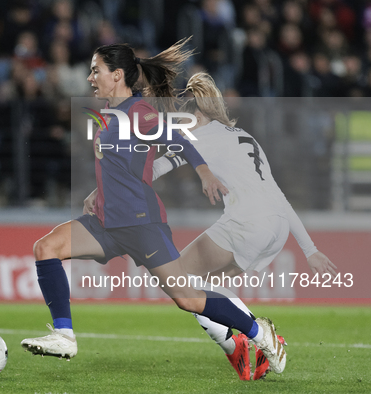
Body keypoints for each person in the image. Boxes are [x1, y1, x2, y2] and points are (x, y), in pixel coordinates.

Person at [21, 42, 288, 376]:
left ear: (116, 75)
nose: (90, 77)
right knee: (46, 247)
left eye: (96, 70)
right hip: (105, 221)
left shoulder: (139, 112)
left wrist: (204, 172)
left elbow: (179, 138)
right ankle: (64, 335)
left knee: (188, 298)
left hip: (140, 222)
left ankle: (259, 334)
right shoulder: (107, 114)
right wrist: (96, 190)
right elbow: (125, 164)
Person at [147, 72, 337, 379]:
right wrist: (309, 248)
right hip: (275, 225)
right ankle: (248, 340)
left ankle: (248, 338)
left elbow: (157, 167)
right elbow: (279, 195)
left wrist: (120, 172)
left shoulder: (198, 138)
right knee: (205, 285)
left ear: (196, 115)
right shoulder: (244, 136)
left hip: (247, 221)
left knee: (176, 278)